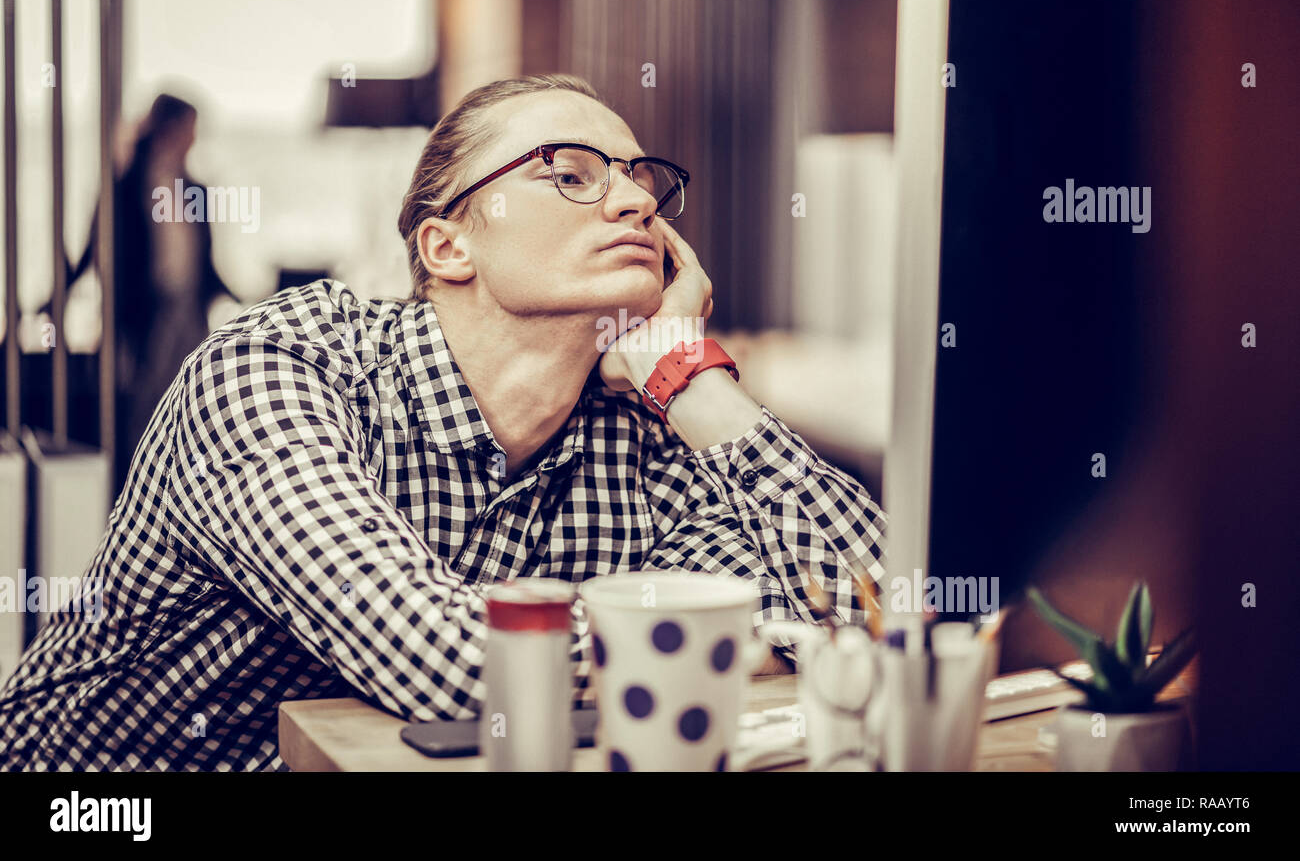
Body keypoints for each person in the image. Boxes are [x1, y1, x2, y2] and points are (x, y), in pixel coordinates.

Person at [0, 74, 887, 770]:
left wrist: (689, 375)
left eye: (642, 181)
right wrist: (763, 639)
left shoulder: (641, 433)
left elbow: (881, 611)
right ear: (447, 245)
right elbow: (451, 665)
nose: (635, 202)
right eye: (570, 174)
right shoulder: (282, 371)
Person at [65, 92, 234, 491]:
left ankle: (183, 492)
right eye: (190, 128)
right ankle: (136, 493)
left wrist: (241, 297)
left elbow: (203, 260)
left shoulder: (194, 188)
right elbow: (95, 252)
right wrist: (55, 302)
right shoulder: (123, 187)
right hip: (144, 314)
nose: (194, 138)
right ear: (169, 127)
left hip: (188, 310)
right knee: (143, 408)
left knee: (191, 402)